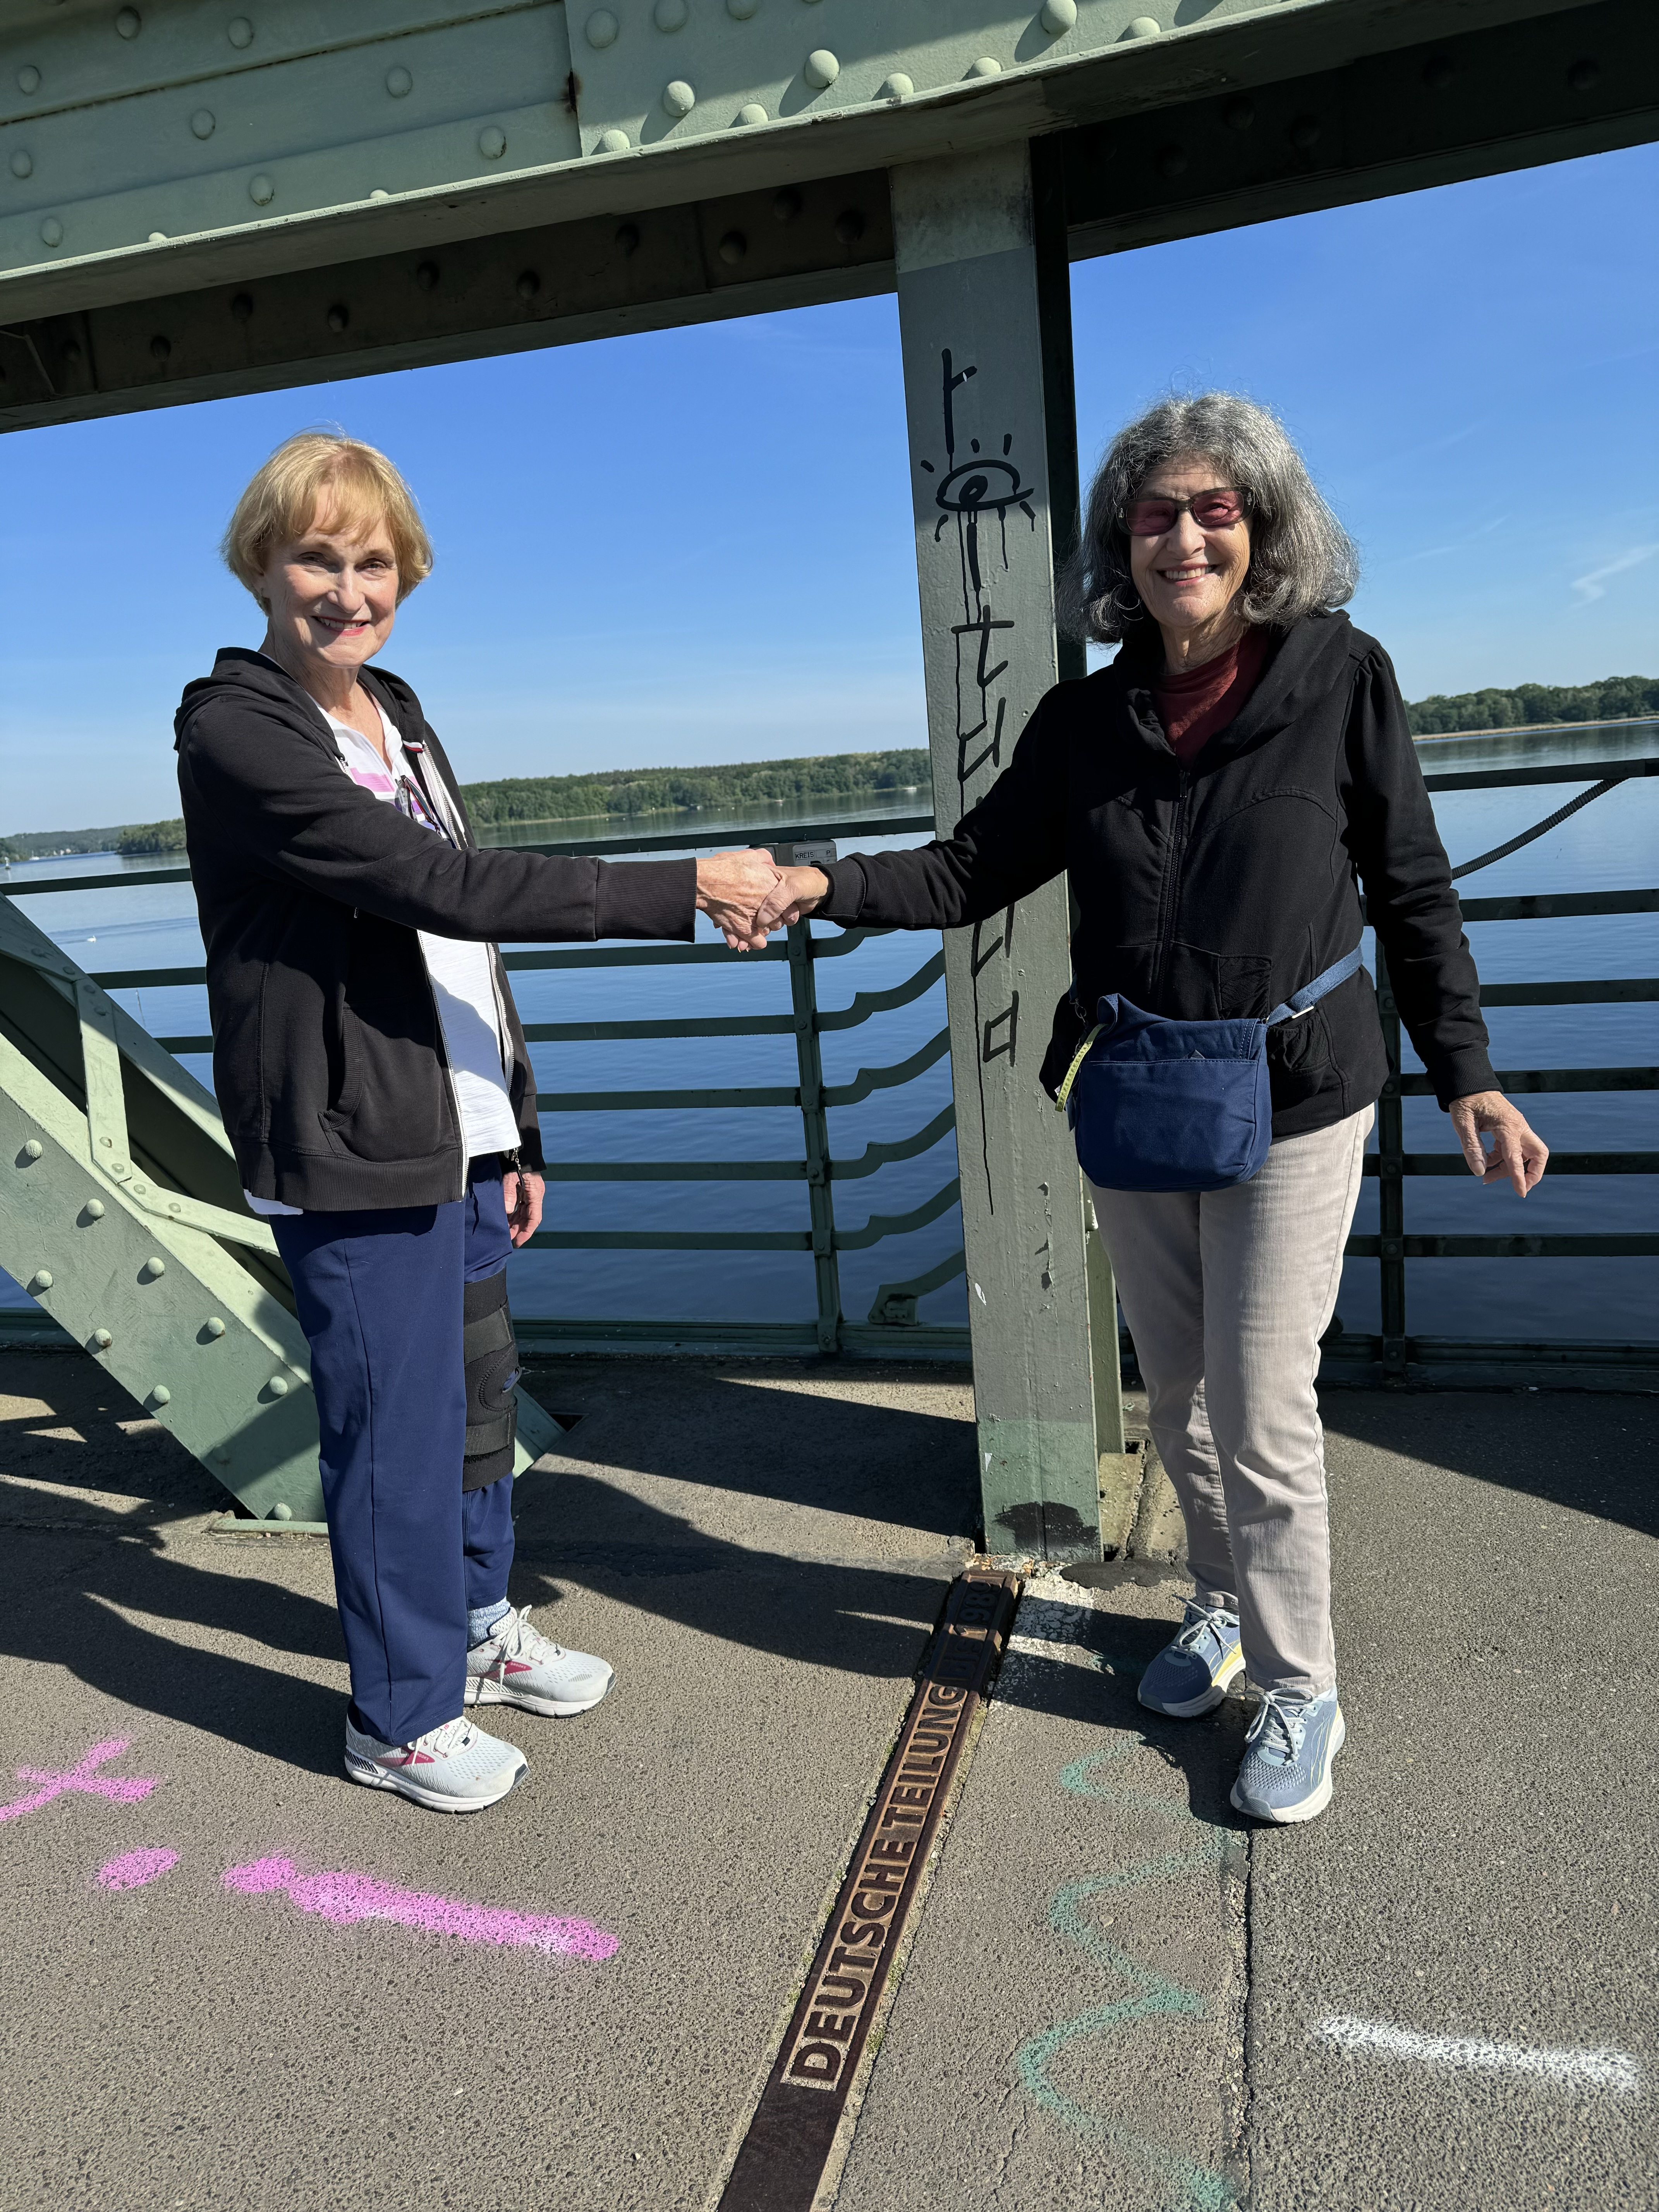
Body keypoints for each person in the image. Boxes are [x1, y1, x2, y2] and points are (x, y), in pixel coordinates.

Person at [752, 392, 1548, 1825]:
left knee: (1259, 1400)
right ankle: (1222, 1599)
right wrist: (817, 882)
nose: (1183, 537)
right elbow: (964, 872)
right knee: (1175, 1396)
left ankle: (1302, 1686)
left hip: (1298, 1095)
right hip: (1133, 1093)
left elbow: (1412, 890)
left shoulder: (1340, 676)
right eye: (1154, 514)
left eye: (1214, 511)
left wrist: (1467, 1071)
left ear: (1263, 531)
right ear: (1121, 544)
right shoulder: (1082, 719)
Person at [175, 429, 781, 1812]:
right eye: (316, 557)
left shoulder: (397, 707)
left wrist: (519, 1126)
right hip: (350, 1143)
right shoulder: (238, 728)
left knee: (475, 1410)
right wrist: (682, 884)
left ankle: (476, 1633)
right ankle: (396, 1717)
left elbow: (470, 958)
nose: (347, 586)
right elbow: (435, 886)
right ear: (262, 568)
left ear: (409, 572)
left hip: (456, 1132)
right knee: (391, 1430)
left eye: (373, 560)